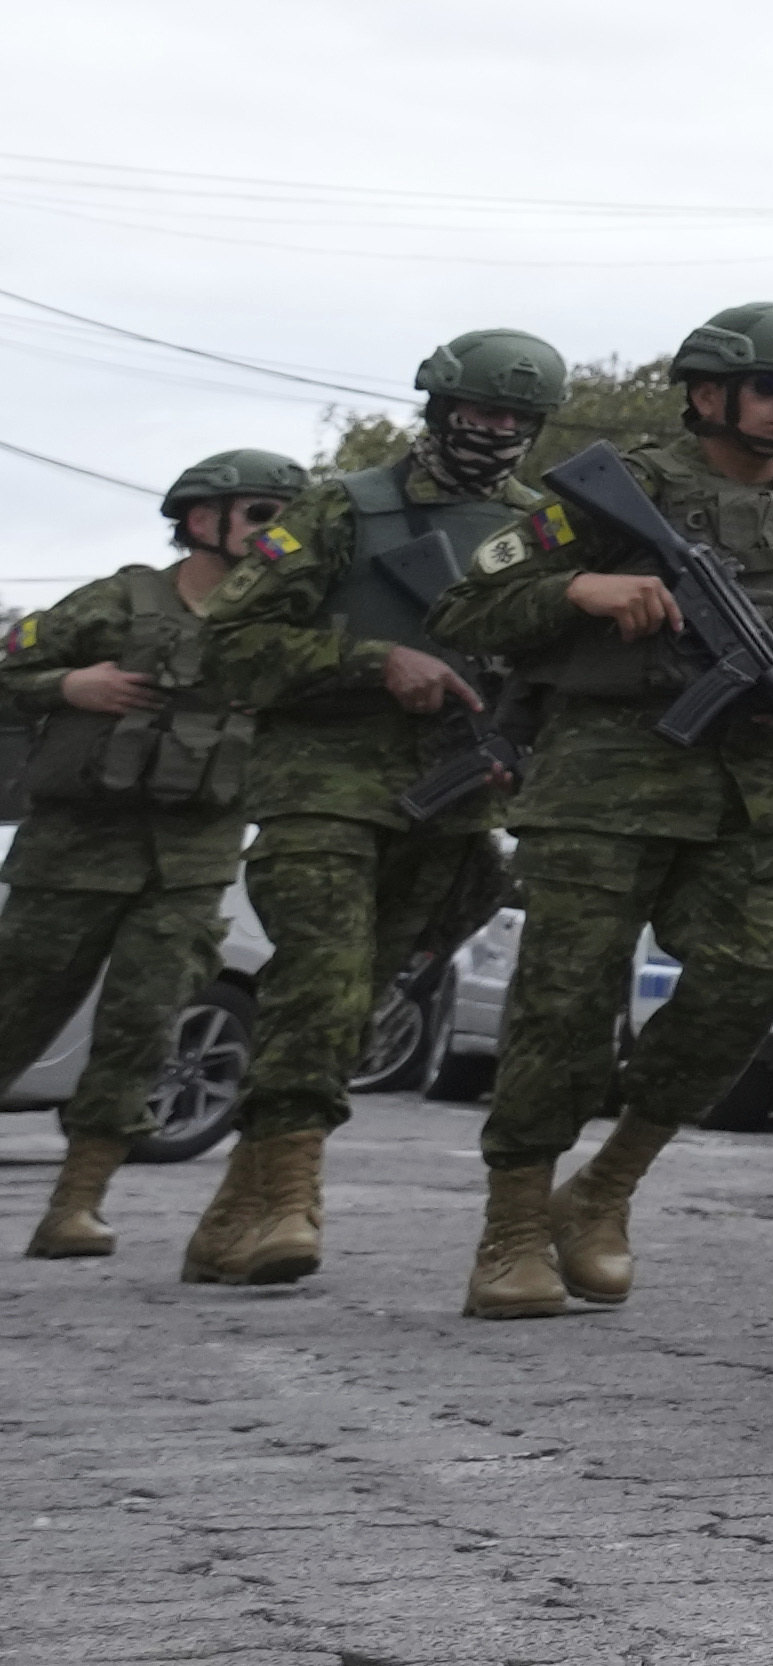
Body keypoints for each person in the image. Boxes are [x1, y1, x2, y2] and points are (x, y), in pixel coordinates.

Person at [445, 303, 773, 1320]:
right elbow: (462, 611)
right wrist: (578, 587)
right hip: (608, 778)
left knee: (763, 970)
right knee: (564, 1001)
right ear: (709, 394)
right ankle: (512, 1227)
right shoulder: (614, 493)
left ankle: (608, 1186)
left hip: (752, 790)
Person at [177, 335, 565, 1292]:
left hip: (458, 801)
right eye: (481, 414)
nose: (499, 433)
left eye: (518, 420)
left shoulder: (547, 526)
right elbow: (228, 647)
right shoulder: (347, 508)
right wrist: (374, 662)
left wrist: (529, 749)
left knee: (362, 997)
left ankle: (242, 1194)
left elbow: (557, 665)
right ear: (438, 408)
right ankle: (288, 1202)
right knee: (325, 977)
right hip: (328, 786)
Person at [7, 446, 293, 1262]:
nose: (280, 539)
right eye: (264, 518)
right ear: (204, 522)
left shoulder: (282, 630)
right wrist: (67, 688)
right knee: (13, 1010)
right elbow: (7, 667)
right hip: (74, 852)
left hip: (191, 863)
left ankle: (76, 1205)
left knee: (145, 1026)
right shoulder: (117, 602)